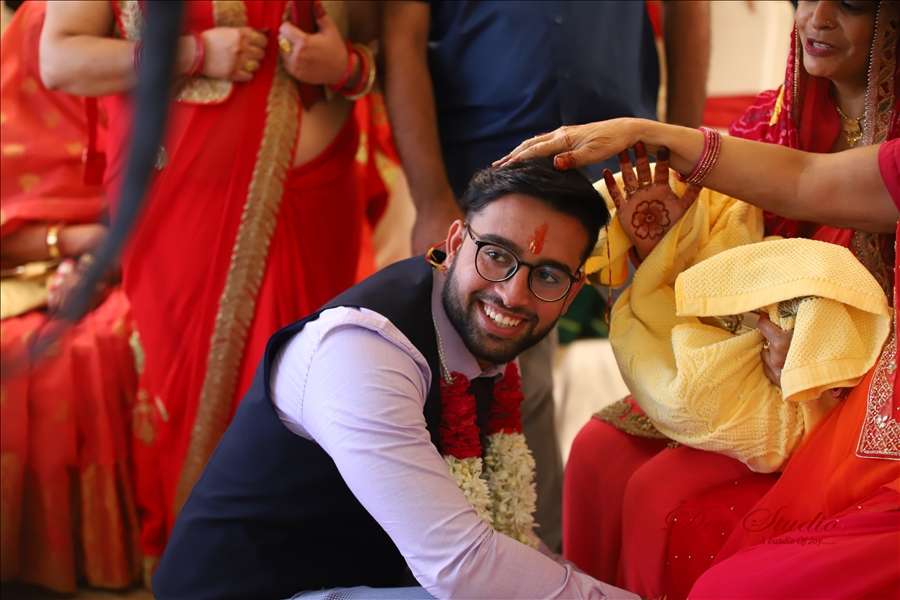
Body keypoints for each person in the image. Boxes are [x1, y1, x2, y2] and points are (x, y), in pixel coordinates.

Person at [502, 1, 898, 595]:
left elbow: (805, 184)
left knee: (658, 494)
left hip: (851, 379)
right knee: (597, 451)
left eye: (849, 5)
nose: (817, 18)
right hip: (753, 360)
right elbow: (730, 258)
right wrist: (666, 243)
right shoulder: (776, 119)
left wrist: (817, 355)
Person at [150, 158, 644, 600]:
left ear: (572, 291)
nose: (513, 294)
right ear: (455, 243)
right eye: (496, 254)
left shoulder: (488, 345)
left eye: (548, 276)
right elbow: (461, 565)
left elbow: (496, 540)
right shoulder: (364, 351)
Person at [40, 0, 380, 579]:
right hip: (178, 198)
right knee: (185, 383)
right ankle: (201, 575)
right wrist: (191, 53)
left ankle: (293, 577)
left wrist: (346, 67)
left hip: (317, 197)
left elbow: (378, 45)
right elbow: (59, 60)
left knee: (308, 388)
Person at [383, 0, 710, 550]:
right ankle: (537, 558)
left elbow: (688, 11)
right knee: (506, 393)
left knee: (685, 363)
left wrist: (680, 151)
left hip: (627, 168)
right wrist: (430, 195)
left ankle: (681, 551)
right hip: (489, 169)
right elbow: (402, 36)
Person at [0, 0, 139, 592]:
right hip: (31, 260)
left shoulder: (159, 49)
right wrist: (75, 242)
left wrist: (105, 263)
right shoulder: (27, 46)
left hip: (144, 256)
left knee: (91, 351)